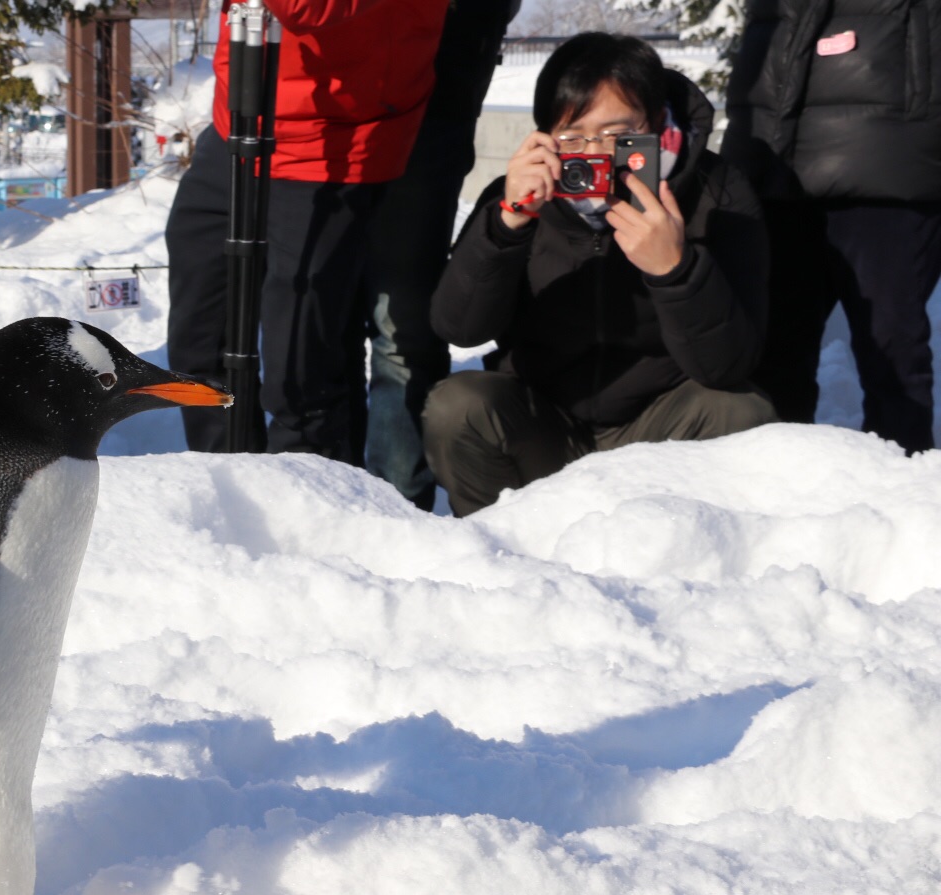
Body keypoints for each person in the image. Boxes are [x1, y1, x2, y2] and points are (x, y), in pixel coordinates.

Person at [425, 33, 775, 516]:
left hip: (660, 435)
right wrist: (507, 225)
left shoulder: (716, 194)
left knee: (742, 412)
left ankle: (686, 550)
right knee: (457, 405)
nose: (595, 152)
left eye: (617, 133)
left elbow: (728, 367)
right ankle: (497, 556)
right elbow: (458, 329)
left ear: (655, 122)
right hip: (545, 426)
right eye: (574, 135)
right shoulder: (524, 193)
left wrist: (676, 271)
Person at [165, 0, 451, 458]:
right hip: (240, 111)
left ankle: (306, 515)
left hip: (335, 138)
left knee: (299, 375)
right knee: (197, 345)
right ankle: (224, 492)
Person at [726, 0, 941, 453]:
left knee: (892, 354)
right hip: (775, 164)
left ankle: (903, 498)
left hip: (889, 163)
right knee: (774, 350)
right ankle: (772, 486)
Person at [348, 0, 521, 509]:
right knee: (324, 329)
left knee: (402, 333)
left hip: (433, 99)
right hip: (331, 105)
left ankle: (395, 514)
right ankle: (325, 503)